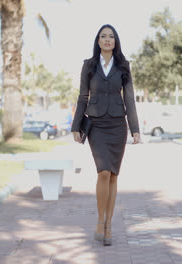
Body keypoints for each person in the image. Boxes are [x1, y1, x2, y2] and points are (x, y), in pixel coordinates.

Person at [71, 24, 141, 246]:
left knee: (113, 175)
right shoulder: (89, 66)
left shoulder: (124, 66)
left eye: (111, 36)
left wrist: (135, 128)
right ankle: (100, 220)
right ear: (98, 41)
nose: (107, 39)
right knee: (103, 172)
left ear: (115, 41)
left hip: (118, 125)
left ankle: (110, 224)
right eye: (103, 36)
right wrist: (76, 126)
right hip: (97, 125)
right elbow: (83, 96)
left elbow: (129, 98)